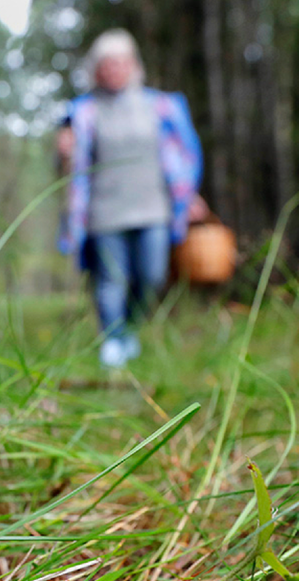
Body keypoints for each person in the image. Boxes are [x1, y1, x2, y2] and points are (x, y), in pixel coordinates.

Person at [57, 29, 205, 368]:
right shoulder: (81, 112)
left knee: (151, 275)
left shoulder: (162, 106)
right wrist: (63, 151)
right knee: (112, 279)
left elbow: (182, 157)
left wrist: (191, 196)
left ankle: (130, 330)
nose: (114, 70)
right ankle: (112, 339)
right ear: (96, 69)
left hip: (153, 207)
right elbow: (66, 166)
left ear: (134, 65)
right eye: (107, 64)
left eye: (121, 62)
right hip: (104, 211)